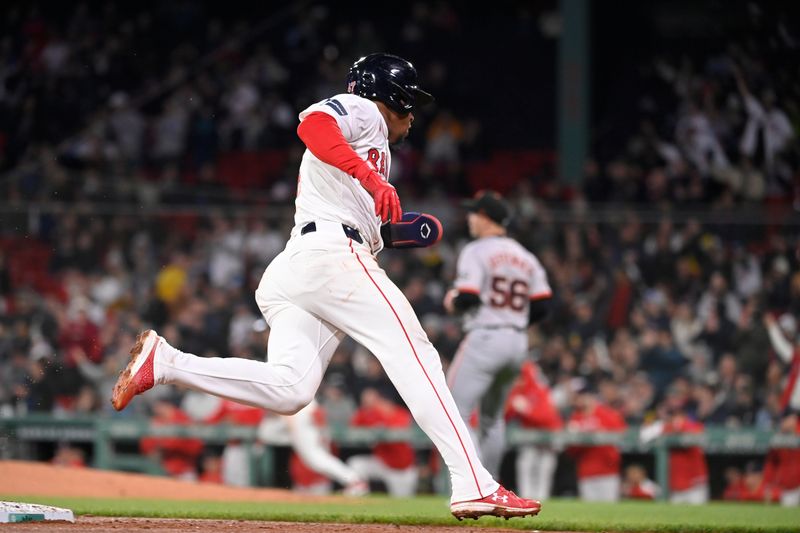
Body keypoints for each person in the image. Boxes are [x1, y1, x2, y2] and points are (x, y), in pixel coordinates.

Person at [111, 52, 540, 520]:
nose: (413, 114)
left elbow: (354, 207)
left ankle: (167, 363)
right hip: (330, 258)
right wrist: (372, 180)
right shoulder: (364, 111)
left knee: (291, 389)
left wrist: (393, 232)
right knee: (418, 355)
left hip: (302, 265)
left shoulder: (372, 145)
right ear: (390, 95)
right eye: (409, 102)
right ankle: (473, 481)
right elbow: (313, 126)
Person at [444, 190, 552, 478]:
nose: (469, 218)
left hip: (486, 336)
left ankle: (475, 485)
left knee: (454, 414)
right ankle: (490, 487)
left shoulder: (476, 250)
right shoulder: (525, 256)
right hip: (517, 341)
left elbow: (467, 297)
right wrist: (512, 321)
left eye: (473, 213)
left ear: (484, 217)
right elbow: (542, 305)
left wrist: (452, 301)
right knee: (492, 421)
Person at [504, 360, 562, 500]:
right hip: (530, 437)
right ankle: (527, 498)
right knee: (525, 464)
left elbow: (546, 418)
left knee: (544, 468)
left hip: (549, 435)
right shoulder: (518, 391)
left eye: (521, 377)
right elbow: (506, 415)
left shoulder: (540, 390)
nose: (518, 380)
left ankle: (543, 500)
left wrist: (527, 410)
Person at [347, 388, 418, 497]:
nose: (369, 404)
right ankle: (359, 492)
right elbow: (352, 428)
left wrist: (381, 427)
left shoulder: (400, 413)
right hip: (382, 462)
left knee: (403, 503)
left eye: (374, 400)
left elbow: (398, 432)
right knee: (356, 463)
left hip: (402, 467)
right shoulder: (369, 413)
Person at [565, 382, 627, 502]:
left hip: (608, 471)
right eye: (577, 396)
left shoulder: (607, 414)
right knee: (589, 512)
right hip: (586, 471)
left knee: (610, 511)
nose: (580, 399)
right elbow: (570, 451)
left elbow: (623, 437)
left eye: (583, 395)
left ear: (591, 396)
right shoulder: (575, 418)